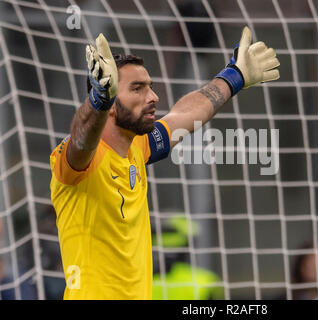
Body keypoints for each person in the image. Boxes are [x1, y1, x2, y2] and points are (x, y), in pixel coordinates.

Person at [49, 27, 280, 299]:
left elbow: (186, 113)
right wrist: (98, 100)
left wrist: (234, 76)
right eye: (137, 88)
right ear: (110, 102)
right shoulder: (77, 161)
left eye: (150, 87)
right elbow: (81, 142)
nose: (153, 97)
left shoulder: (138, 146)